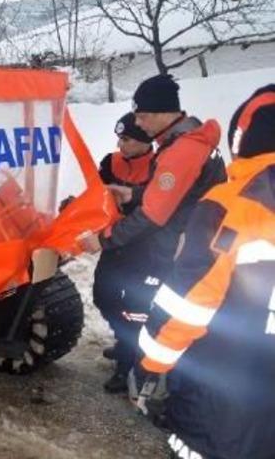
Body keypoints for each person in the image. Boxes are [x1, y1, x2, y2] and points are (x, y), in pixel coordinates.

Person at [132, 84, 275, 459]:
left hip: (224, 400)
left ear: (243, 138)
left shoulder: (234, 207)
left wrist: (151, 363)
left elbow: (190, 301)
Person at [79, 74, 227, 398]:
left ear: (164, 113)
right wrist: (131, 193)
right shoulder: (184, 141)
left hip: (177, 250)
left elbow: (153, 215)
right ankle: (134, 361)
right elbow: (168, 194)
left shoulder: (182, 151)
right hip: (183, 243)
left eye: (143, 116)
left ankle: (144, 380)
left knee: (142, 311)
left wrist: (102, 240)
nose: (139, 123)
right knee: (127, 303)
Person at [91, 113, 156, 393]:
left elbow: (152, 213)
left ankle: (127, 363)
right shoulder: (110, 162)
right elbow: (95, 194)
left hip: (145, 251)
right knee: (102, 295)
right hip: (113, 244)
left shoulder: (160, 167)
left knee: (134, 309)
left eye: (127, 139)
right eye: (119, 138)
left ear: (143, 141)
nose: (121, 144)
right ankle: (124, 339)